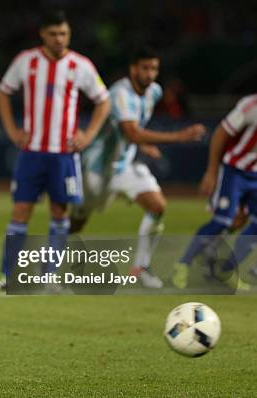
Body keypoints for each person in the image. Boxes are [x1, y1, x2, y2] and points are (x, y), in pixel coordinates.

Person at [0, 11, 111, 291]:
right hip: (32, 152)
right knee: (20, 211)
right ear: (43, 33)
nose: (59, 39)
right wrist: (11, 130)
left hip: (63, 155)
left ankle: (49, 276)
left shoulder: (81, 65)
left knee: (59, 212)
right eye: (54, 34)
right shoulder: (26, 61)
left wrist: (88, 134)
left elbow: (104, 101)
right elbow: (3, 92)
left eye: (63, 34)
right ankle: (8, 276)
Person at [70, 47, 205, 288]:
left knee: (157, 206)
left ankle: (140, 268)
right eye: (145, 68)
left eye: (154, 68)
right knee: (77, 221)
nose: (150, 74)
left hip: (125, 166)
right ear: (133, 69)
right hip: (97, 169)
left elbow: (132, 130)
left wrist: (143, 145)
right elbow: (131, 132)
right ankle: (51, 266)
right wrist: (179, 136)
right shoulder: (119, 93)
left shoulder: (154, 92)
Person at [172, 94, 257, 292]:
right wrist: (211, 171)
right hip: (233, 170)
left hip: (255, 175)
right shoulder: (251, 105)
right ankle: (183, 264)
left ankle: (225, 270)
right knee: (223, 221)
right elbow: (220, 133)